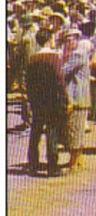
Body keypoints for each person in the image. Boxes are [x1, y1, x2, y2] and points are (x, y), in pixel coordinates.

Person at [25, 28, 69, 177]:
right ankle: (52, 165)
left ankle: (32, 163)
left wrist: (30, 100)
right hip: (52, 100)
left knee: (35, 131)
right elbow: (59, 80)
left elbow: (28, 82)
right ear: (49, 39)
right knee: (52, 132)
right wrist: (66, 99)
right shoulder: (53, 57)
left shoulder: (32, 58)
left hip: (38, 101)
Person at [61, 27, 92, 172]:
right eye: (66, 41)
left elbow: (64, 71)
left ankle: (73, 163)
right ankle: (77, 160)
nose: (67, 43)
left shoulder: (78, 54)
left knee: (73, 130)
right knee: (76, 130)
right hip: (79, 96)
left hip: (76, 97)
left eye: (70, 40)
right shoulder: (78, 53)